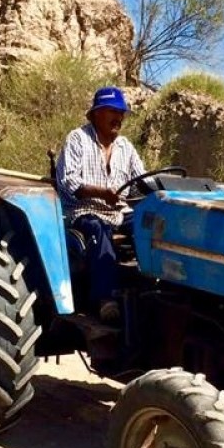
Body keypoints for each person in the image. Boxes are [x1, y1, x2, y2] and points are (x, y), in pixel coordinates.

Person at [53, 86, 146, 323]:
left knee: (149, 224)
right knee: (97, 228)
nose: (119, 118)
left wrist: (157, 190)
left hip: (119, 211)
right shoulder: (78, 139)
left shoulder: (125, 147)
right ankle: (106, 299)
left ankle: (150, 288)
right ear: (96, 114)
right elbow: (69, 182)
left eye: (121, 113)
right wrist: (102, 194)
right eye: (113, 111)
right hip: (84, 210)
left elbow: (141, 183)